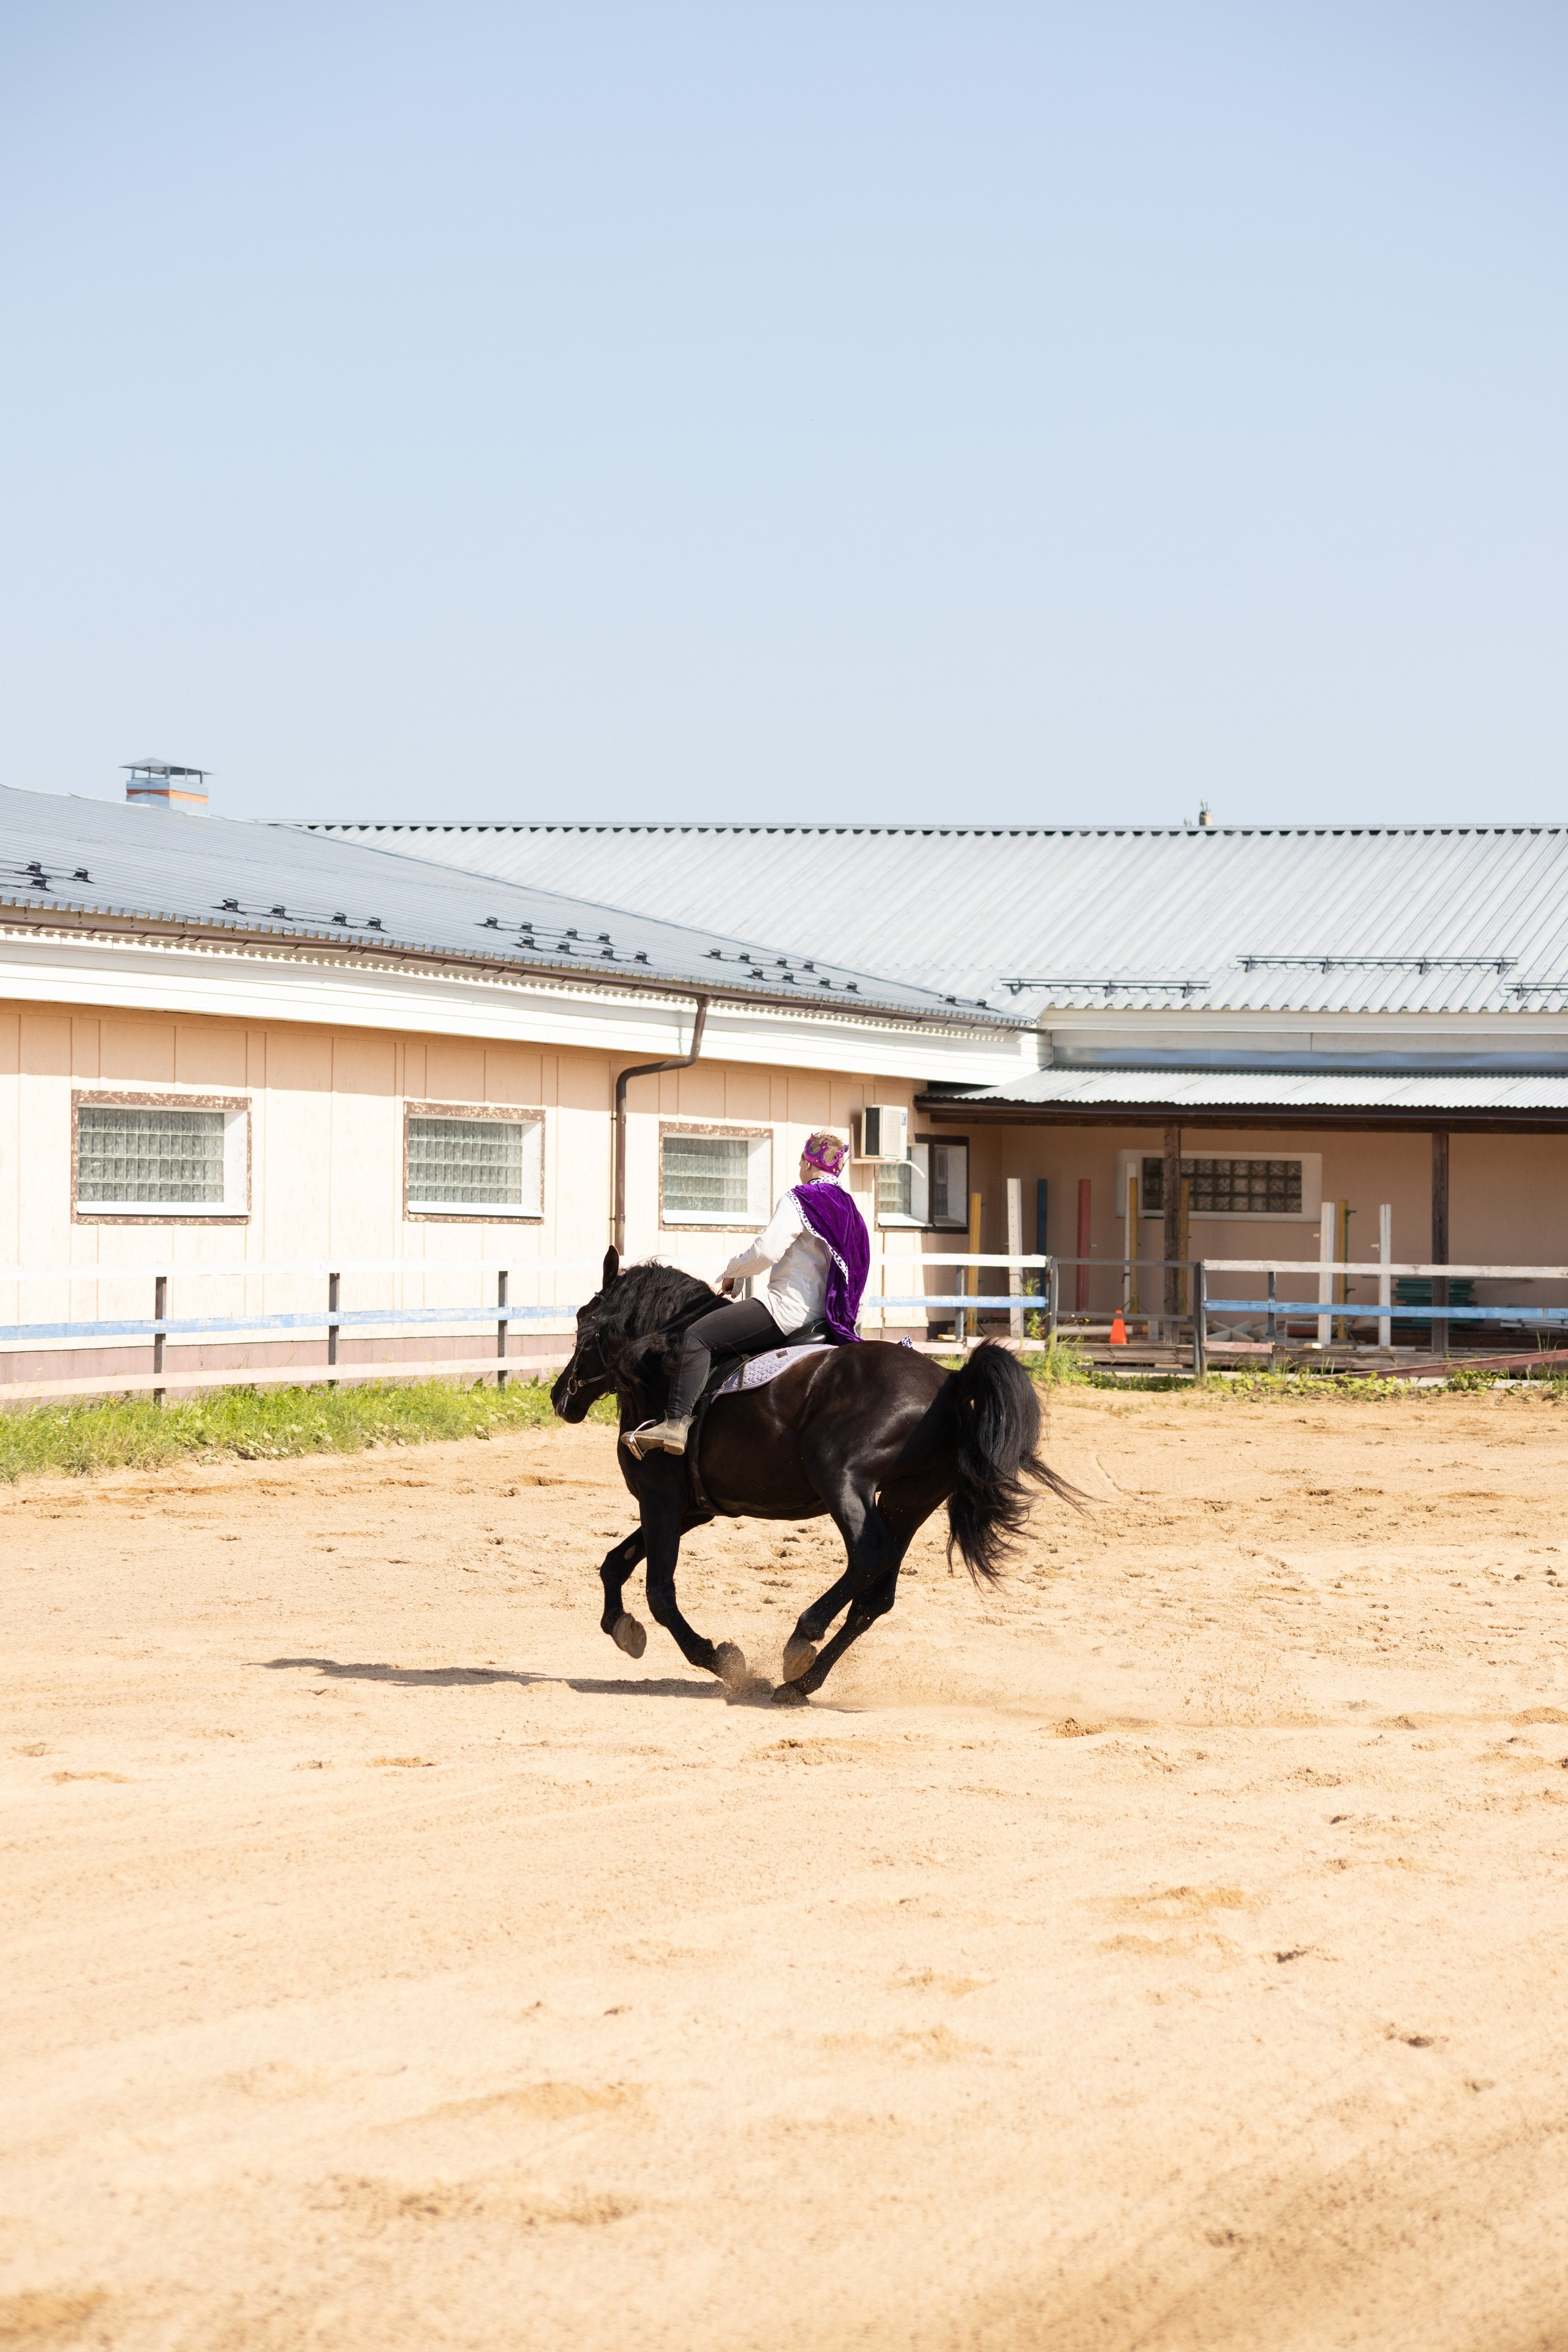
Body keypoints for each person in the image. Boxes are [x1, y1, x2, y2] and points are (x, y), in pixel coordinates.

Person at [625, 1126, 870, 1457]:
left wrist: (734, 1272)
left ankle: (675, 1424)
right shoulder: (851, 1211)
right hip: (830, 1320)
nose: (800, 1168)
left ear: (809, 1163)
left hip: (788, 1310)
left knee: (696, 1338)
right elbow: (858, 1271)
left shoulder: (801, 1198)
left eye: (801, 1161)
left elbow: (767, 1252)